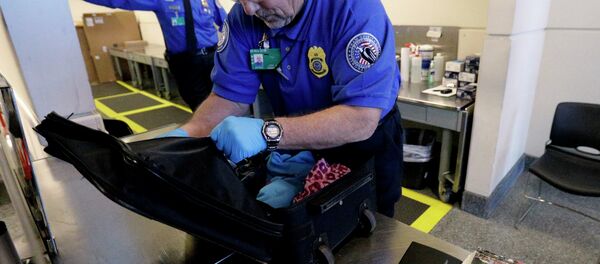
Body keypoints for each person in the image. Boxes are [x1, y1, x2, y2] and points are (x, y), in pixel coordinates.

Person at [169, 0, 403, 217]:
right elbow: (229, 97)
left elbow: (360, 118)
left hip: (363, 144)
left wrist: (268, 133)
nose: (249, 9)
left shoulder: (354, 9)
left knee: (366, 225)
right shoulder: (243, 18)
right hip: (297, 136)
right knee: (303, 226)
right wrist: (183, 139)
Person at [83, 0, 227, 110]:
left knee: (221, 101)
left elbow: (227, 23)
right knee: (199, 105)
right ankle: (211, 140)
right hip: (185, 63)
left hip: (212, 58)